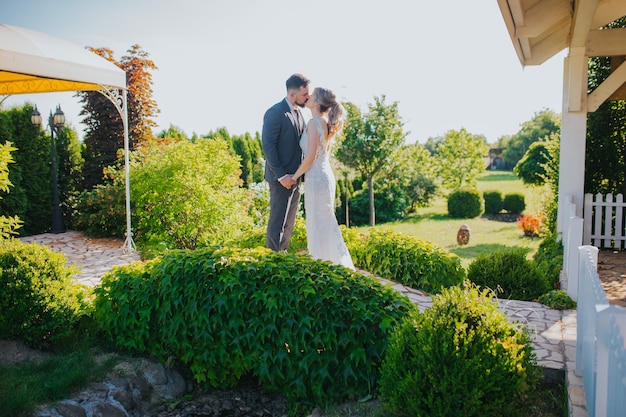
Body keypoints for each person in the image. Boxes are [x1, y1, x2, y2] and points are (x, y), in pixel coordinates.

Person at [290, 87, 355, 269]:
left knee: (318, 222)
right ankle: (332, 264)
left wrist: (294, 176)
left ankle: (323, 265)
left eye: (312, 95)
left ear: (317, 102)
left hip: (317, 178)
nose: (308, 96)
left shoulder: (313, 123)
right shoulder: (324, 121)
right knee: (324, 221)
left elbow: (310, 156)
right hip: (324, 176)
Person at [261, 73, 310, 251]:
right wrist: (281, 176)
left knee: (289, 224)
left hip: (296, 178)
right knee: (277, 224)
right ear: (292, 94)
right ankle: (273, 263)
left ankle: (282, 258)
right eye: (305, 94)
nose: (308, 97)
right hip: (280, 179)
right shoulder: (275, 112)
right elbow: (268, 146)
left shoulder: (299, 113)